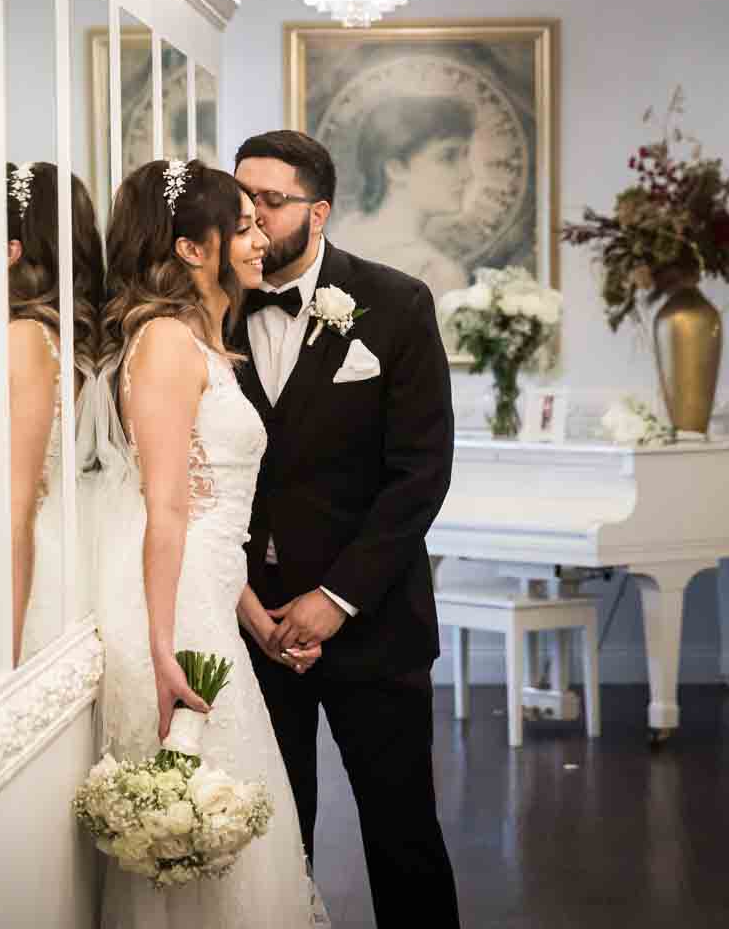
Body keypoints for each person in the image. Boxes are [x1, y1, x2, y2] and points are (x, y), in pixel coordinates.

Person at [232, 129, 461, 926]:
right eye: (242, 199)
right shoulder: (209, 307)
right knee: (267, 839)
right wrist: (240, 601)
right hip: (247, 627)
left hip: (374, 625)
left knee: (403, 837)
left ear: (319, 211)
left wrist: (336, 596)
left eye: (272, 200)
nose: (252, 216)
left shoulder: (396, 303)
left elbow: (420, 473)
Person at [93, 159, 321, 928]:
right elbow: (164, 508)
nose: (260, 239)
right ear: (195, 249)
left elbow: (205, 508)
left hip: (208, 602)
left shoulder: (202, 343)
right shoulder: (163, 342)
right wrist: (162, 647)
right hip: (174, 612)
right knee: (201, 809)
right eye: (245, 225)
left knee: (233, 807)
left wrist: (255, 616)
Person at [0, 163, 104, 706]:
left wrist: (2, 650)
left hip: (22, 594)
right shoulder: (23, 337)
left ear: (6, 251)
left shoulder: (27, 341)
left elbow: (19, 504)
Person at [329, 95, 475, 301]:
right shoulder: (438, 274)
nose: (467, 173)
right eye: (448, 157)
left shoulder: (340, 236)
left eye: (465, 155)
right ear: (396, 169)